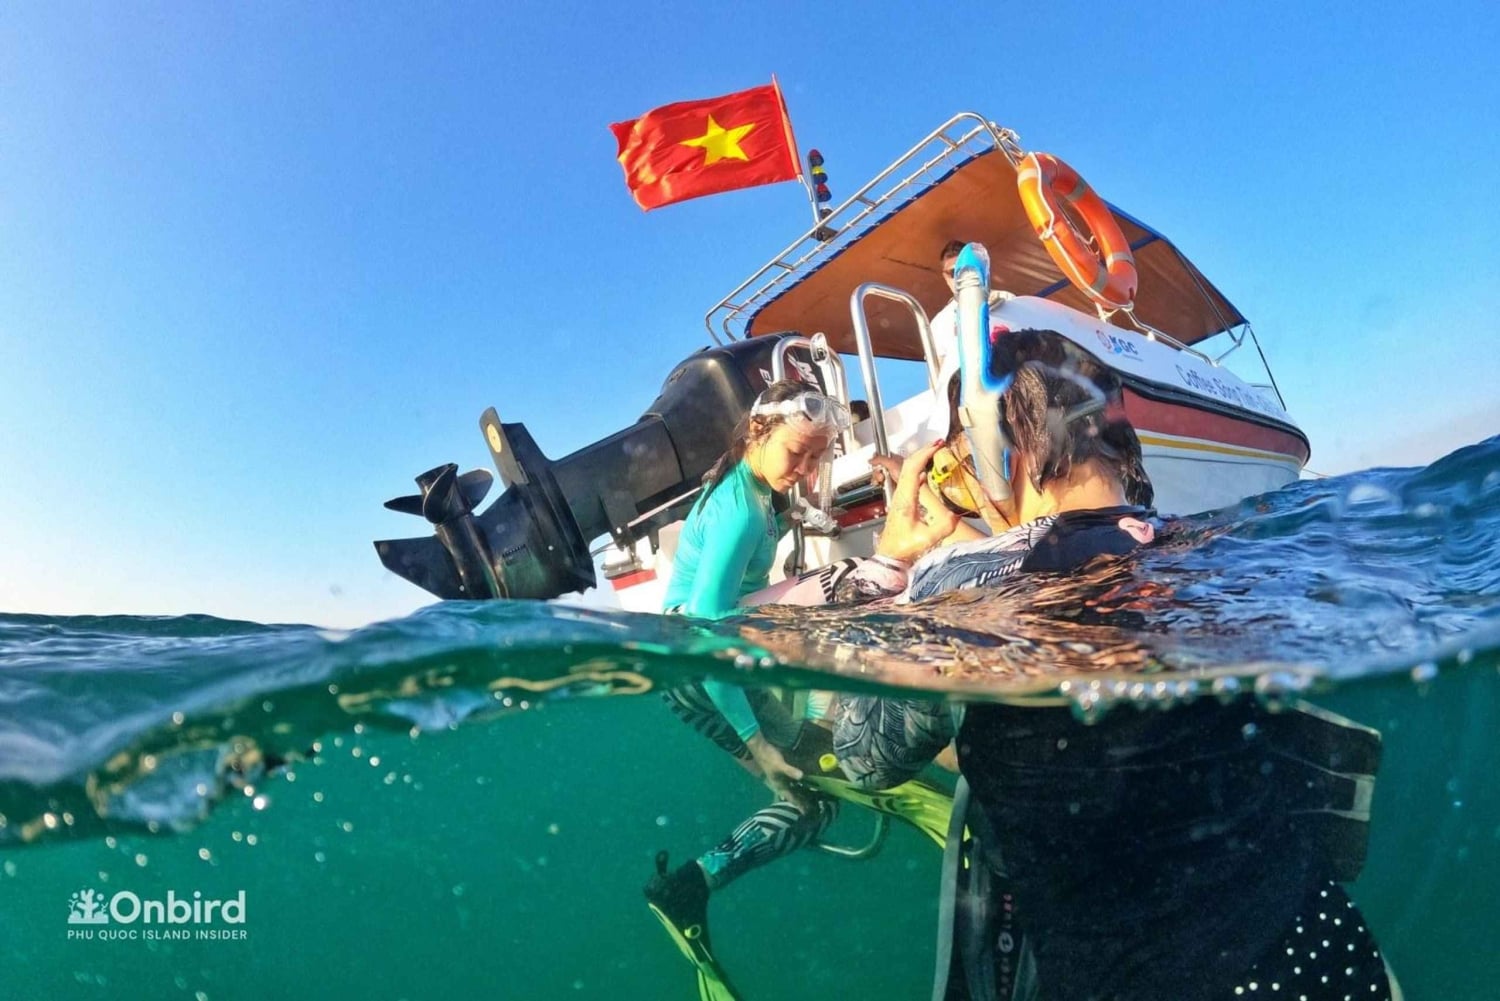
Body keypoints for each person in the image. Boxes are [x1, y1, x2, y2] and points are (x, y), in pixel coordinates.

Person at [810, 327, 1395, 1000]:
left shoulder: (964, 581)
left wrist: (889, 562)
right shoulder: (1204, 545)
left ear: (1002, 451)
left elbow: (863, 754)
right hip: (1322, 945)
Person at [647, 379, 856, 1000]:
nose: (808, 468)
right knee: (812, 793)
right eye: (799, 453)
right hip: (702, 674)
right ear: (759, 432)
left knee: (810, 780)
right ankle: (689, 886)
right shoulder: (741, 508)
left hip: (693, 672)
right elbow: (712, 633)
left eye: (818, 456)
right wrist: (753, 740)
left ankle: (689, 886)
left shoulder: (757, 490)